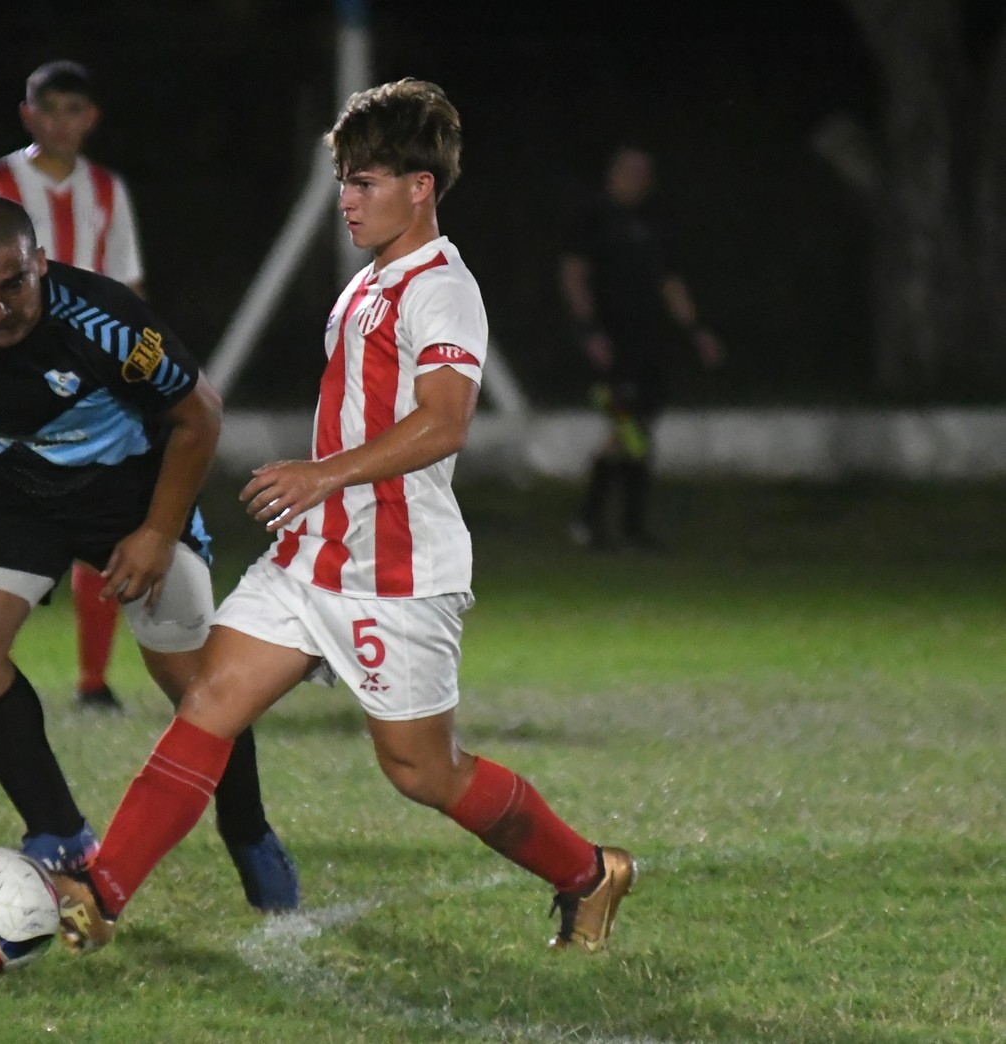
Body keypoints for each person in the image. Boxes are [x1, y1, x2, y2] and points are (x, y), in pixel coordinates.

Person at [52, 79, 634, 956]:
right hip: (311, 559)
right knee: (209, 702)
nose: (346, 200)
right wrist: (321, 496)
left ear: (420, 186)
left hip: (396, 573)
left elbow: (445, 422)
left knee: (420, 771)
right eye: (344, 181)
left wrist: (323, 474)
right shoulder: (368, 282)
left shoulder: (441, 289)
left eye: (364, 182)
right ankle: (100, 896)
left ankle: (588, 874)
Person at [0, 195, 299, 911]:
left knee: (200, 685)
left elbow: (199, 414)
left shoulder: (103, 323)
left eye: (14, 283)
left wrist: (157, 534)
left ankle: (248, 833)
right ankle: (58, 830)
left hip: (130, 495)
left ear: (39, 263)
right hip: (10, 491)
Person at [0, 59, 143, 711]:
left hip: (92, 375)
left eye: (74, 111)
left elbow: (125, 286)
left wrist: (140, 369)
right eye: (50, 110)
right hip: (8, 368)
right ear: (28, 115)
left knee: (101, 514)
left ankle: (92, 682)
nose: (62, 122)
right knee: (14, 502)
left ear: (90, 118)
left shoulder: (105, 190)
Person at [560, 146, 725, 552]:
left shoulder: (654, 223)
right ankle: (598, 522)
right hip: (610, 344)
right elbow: (574, 274)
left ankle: (616, 527)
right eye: (630, 171)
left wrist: (697, 330)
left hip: (647, 343)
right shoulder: (593, 217)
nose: (638, 180)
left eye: (644, 173)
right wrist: (588, 330)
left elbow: (670, 282)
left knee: (639, 431)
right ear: (613, 174)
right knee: (626, 428)